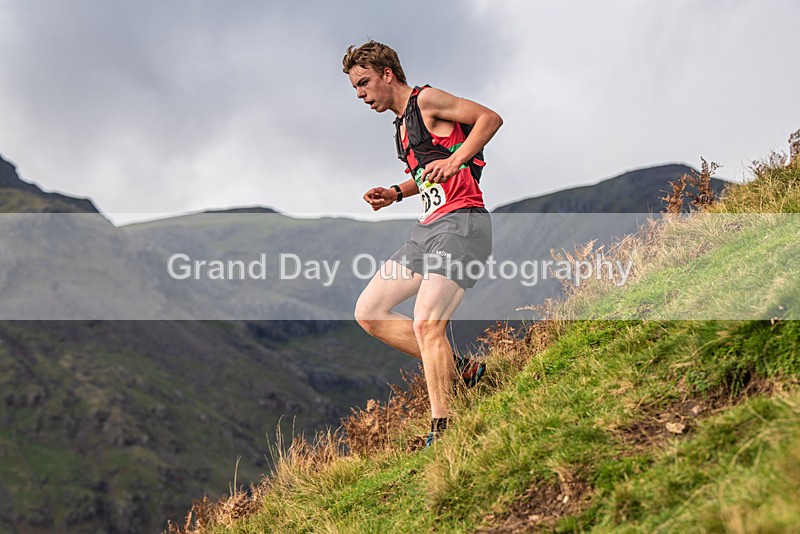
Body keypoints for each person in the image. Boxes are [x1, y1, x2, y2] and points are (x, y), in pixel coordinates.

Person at [342, 40, 502, 446]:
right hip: (427, 229)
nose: (360, 95)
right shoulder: (401, 127)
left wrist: (457, 159)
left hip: (461, 224)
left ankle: (442, 429)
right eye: (355, 88)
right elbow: (430, 171)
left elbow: (489, 118)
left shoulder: (426, 100)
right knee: (369, 311)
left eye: (364, 83)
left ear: (387, 74)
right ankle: (463, 369)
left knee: (427, 322)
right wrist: (396, 192)